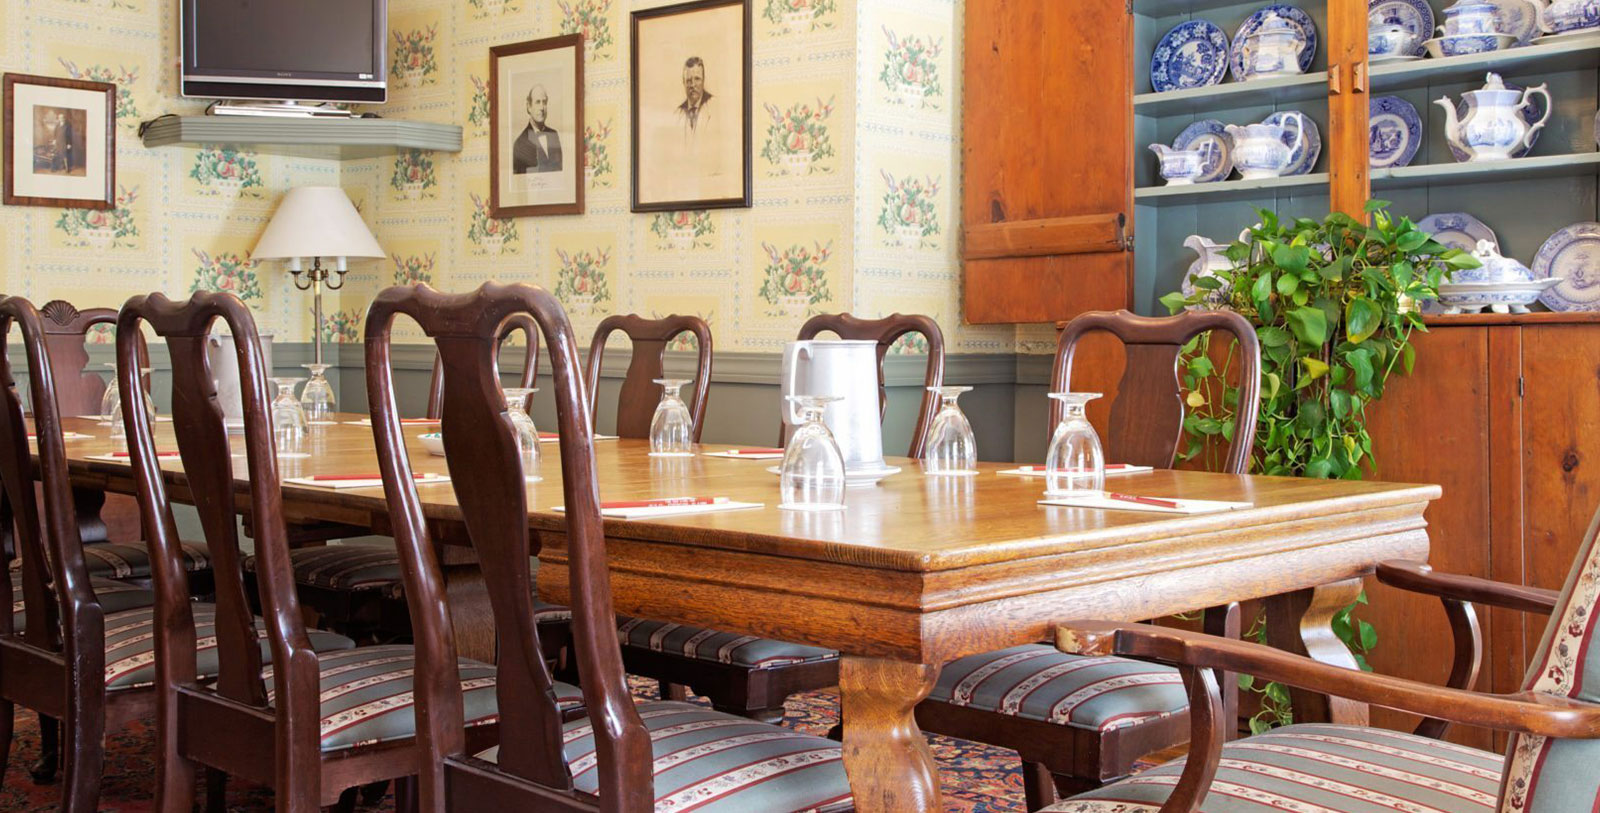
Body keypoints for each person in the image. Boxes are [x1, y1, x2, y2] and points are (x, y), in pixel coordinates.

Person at [512, 85, 561, 174]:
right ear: (529, 107)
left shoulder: (554, 135)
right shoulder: (520, 144)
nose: (542, 108)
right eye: (537, 102)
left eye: (544, 102)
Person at [675, 57, 713, 137]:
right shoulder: (677, 114)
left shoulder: (715, 107)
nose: (693, 85)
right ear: (683, 82)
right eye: (688, 80)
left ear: (703, 80)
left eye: (697, 79)